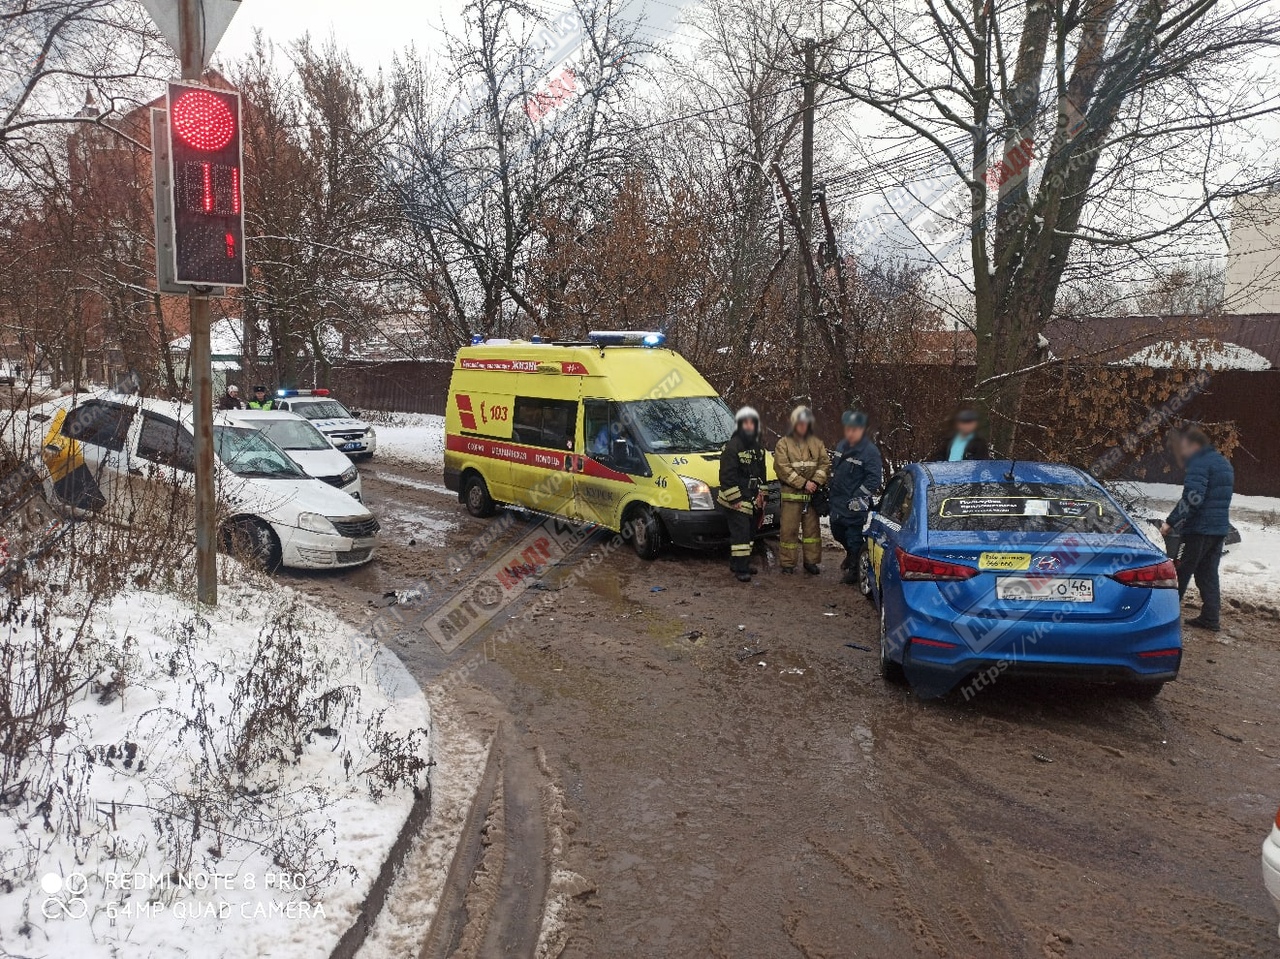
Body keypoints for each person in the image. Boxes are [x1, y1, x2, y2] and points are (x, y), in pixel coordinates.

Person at [1160, 426, 1234, 632]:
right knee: (1208, 573)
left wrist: (1171, 521)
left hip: (1198, 529)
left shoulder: (1199, 463)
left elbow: (1194, 497)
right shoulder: (1223, 462)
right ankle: (1210, 618)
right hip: (1218, 529)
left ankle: (1166, 618)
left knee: (1181, 571)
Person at [829, 410, 883, 585]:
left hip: (854, 504)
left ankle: (854, 569)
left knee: (853, 537)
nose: (851, 432)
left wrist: (858, 496)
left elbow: (874, 479)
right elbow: (835, 469)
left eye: (855, 429)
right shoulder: (841, 446)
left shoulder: (870, 452)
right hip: (837, 501)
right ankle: (853, 555)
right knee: (837, 532)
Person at [773, 405, 829, 575]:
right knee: (788, 531)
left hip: (811, 497)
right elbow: (782, 468)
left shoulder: (817, 443)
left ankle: (811, 562)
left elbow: (824, 464)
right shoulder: (783, 444)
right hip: (791, 497)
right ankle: (787, 563)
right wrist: (804, 483)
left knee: (812, 532)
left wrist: (815, 482)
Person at [717, 406, 767, 582]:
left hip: (753, 498)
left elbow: (762, 473)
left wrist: (763, 494)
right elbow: (726, 475)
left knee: (750, 534)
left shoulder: (758, 448)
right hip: (737, 500)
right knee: (741, 535)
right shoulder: (732, 447)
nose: (749, 427)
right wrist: (735, 499)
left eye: (752, 423)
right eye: (745, 423)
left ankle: (737, 562)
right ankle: (741, 569)